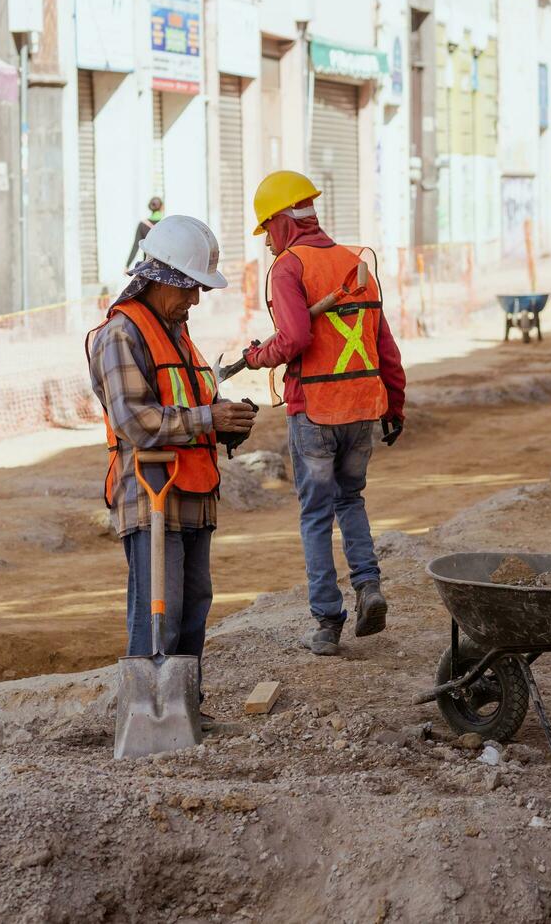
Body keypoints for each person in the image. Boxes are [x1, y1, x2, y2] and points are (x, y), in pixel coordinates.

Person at [87, 215, 259, 729]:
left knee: (193, 608)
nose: (196, 301)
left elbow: (190, 403)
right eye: (190, 289)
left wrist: (227, 422)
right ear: (159, 279)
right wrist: (209, 417)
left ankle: (183, 711)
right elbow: (135, 421)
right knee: (157, 610)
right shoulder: (120, 334)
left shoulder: (177, 335)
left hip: (193, 491)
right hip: (150, 492)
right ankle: (148, 719)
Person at [238, 170, 407, 657]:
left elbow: (293, 340)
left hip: (314, 409)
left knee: (315, 514)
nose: (268, 245)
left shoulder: (289, 268)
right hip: (362, 410)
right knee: (350, 500)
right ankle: (369, 586)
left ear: (281, 223)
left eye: (267, 231)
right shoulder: (357, 265)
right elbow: (384, 343)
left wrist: (255, 357)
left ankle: (327, 622)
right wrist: (394, 403)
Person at [125, 196, 165, 267]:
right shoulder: (165, 224)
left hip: (147, 265)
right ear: (162, 207)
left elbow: (135, 246)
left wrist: (127, 265)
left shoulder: (142, 225)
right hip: (163, 266)